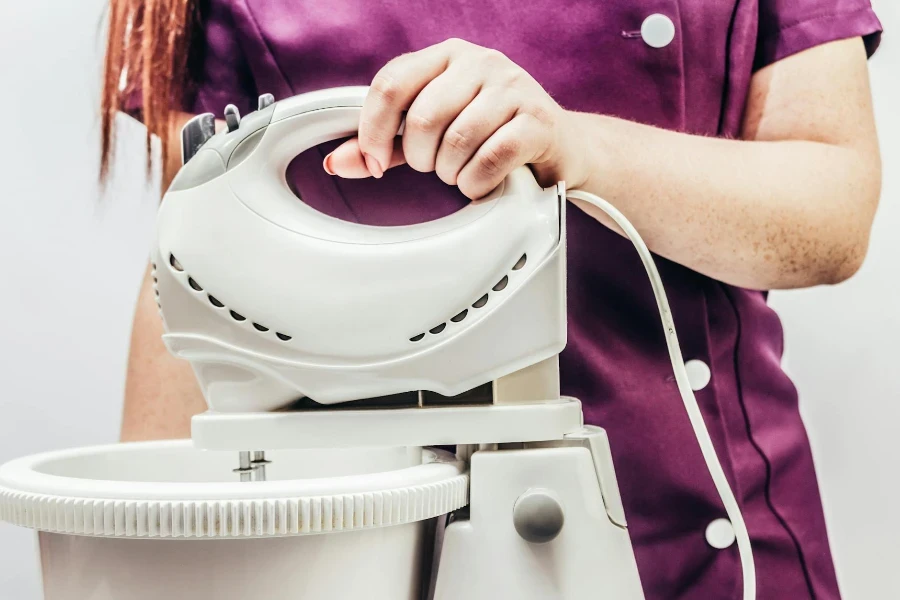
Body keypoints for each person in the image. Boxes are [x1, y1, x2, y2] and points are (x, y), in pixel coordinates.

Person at [101, 1, 883, 597]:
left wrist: (574, 146)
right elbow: (198, 255)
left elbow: (832, 212)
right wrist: (150, 547)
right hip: (359, 550)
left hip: (705, 539)